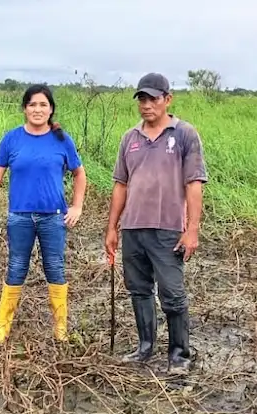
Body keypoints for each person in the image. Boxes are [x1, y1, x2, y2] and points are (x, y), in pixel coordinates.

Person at [0, 84, 87, 344]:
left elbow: (79, 174)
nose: (38, 109)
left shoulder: (62, 140)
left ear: (51, 109)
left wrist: (77, 206)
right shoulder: (12, 139)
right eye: (32, 105)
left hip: (53, 217)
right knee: (17, 267)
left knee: (55, 267)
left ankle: (60, 328)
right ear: (24, 108)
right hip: (19, 216)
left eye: (43, 105)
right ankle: (2, 327)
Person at [104, 73, 207, 377]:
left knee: (172, 293)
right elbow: (120, 185)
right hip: (133, 227)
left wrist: (192, 229)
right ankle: (145, 347)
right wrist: (112, 227)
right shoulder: (130, 138)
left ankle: (179, 355)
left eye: (153, 99)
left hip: (168, 228)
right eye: (142, 100)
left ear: (167, 99)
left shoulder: (184, 134)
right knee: (138, 289)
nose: (147, 105)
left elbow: (194, 183)